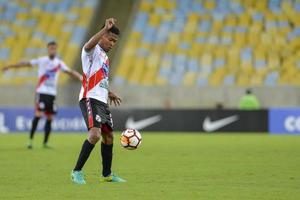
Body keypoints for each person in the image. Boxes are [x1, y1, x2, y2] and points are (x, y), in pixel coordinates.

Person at [71, 18, 125, 184]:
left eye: (115, 41)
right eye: (110, 39)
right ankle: (76, 171)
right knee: (95, 134)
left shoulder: (105, 58)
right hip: (90, 98)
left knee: (108, 137)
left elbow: (99, 79)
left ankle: (106, 174)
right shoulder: (91, 50)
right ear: (102, 35)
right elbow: (88, 45)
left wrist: (109, 92)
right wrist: (104, 29)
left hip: (102, 100)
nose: (112, 43)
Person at [1, 41, 82, 148]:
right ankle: (30, 140)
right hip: (42, 92)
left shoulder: (59, 63)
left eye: (54, 48)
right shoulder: (42, 60)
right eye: (51, 48)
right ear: (48, 50)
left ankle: (45, 142)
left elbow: (70, 72)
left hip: (52, 94)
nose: (52, 50)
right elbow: (26, 63)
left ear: (56, 50)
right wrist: (10, 66)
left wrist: (82, 78)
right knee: (38, 115)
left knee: (50, 118)